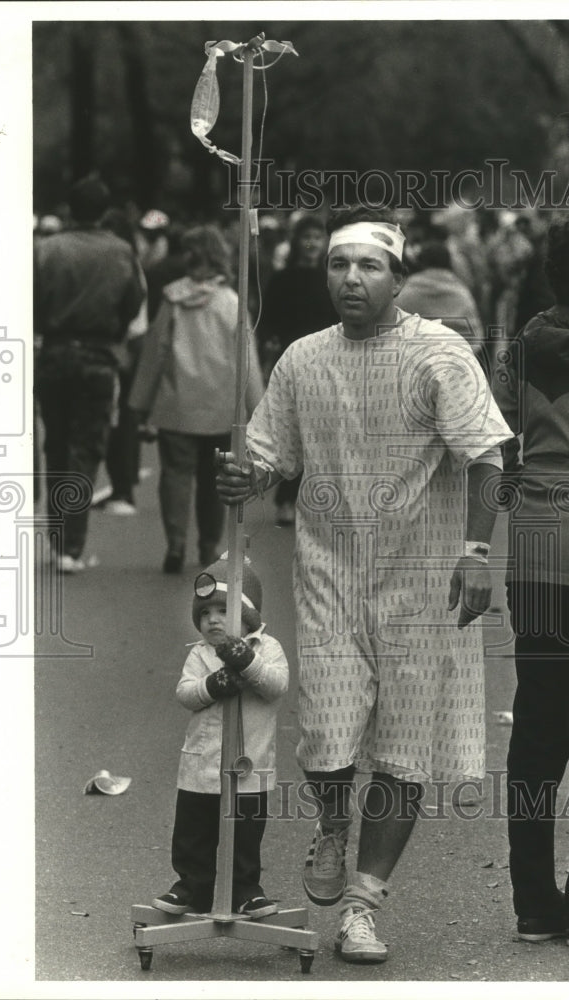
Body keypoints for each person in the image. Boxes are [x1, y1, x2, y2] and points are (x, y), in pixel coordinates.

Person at [216, 206, 514, 964]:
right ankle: (329, 826)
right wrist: (240, 473)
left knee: (404, 751)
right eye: (338, 265)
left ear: (397, 277)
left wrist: (477, 551)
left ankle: (362, 904)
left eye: (368, 266)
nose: (350, 278)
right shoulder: (301, 360)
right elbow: (266, 456)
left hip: (422, 584)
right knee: (325, 734)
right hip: (329, 576)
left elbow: (487, 455)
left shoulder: (438, 355)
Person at [496, 211, 569, 948]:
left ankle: (532, 903)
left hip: (536, 546)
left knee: (537, 725)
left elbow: (498, 436)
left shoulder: (523, 342)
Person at [152, 556, 288, 918]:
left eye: (221, 610)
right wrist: (213, 684)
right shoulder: (200, 655)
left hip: (249, 766)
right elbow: (185, 693)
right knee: (193, 831)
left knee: (244, 834)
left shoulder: (267, 648)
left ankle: (246, 889)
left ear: (247, 615)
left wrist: (247, 663)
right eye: (205, 612)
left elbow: (276, 686)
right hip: (203, 765)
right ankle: (192, 887)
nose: (212, 619)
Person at [129, 224, 264, 573]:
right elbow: (247, 361)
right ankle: (208, 546)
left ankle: (175, 544)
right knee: (213, 480)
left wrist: (140, 402)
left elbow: (155, 354)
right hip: (222, 408)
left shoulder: (173, 301)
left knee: (174, 475)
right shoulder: (232, 304)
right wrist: (260, 411)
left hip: (177, 405)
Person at [34, 175, 145, 572]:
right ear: (104, 211)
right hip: (99, 355)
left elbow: (31, 297)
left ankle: (56, 536)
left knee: (56, 445)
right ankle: (72, 545)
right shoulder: (120, 252)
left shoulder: (46, 249)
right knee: (86, 449)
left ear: (69, 208)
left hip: (56, 351)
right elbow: (134, 301)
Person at [256, 214, 338, 525]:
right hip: (290, 360)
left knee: (322, 432)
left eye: (318, 237)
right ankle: (287, 499)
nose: (312, 243)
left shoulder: (331, 279)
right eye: (307, 237)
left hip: (327, 361)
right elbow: (268, 320)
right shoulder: (282, 279)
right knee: (294, 430)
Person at [100, 208, 149, 515]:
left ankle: (123, 488)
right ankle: (122, 484)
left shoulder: (123, 264)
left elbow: (131, 307)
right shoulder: (128, 261)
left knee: (120, 419)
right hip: (130, 342)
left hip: (125, 344)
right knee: (120, 418)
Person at [396, 238, 484, 348]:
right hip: (462, 356)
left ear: (420, 263)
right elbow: (476, 335)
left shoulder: (407, 292)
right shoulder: (462, 292)